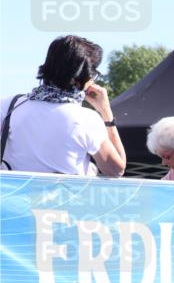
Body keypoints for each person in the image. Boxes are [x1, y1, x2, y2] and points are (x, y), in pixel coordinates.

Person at [1, 35, 126, 177]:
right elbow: (117, 170)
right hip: (64, 198)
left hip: (12, 197)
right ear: (82, 78)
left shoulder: (9, 105)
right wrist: (106, 113)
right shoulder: (87, 119)